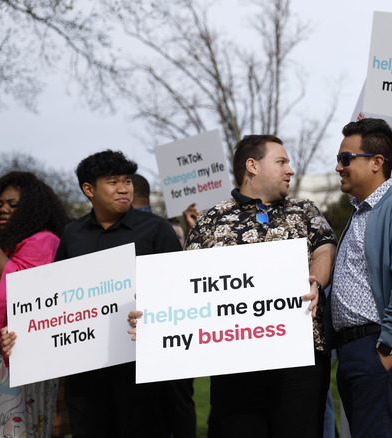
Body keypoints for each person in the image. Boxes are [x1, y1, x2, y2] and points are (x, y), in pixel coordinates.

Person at [132, 134, 337, 438]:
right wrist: (151, 317)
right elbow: (185, 283)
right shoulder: (211, 220)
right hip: (235, 361)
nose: (290, 170)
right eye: (281, 162)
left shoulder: (305, 210)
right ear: (252, 166)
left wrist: (316, 282)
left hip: (300, 357)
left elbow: (325, 248)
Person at [2, 150, 183, 438]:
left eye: (127, 181)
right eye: (113, 182)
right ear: (88, 189)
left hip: (138, 369)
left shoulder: (157, 230)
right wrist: (22, 332)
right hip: (85, 374)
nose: (124, 188)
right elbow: (53, 300)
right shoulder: (72, 234)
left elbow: (177, 291)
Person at [328, 117, 392, 438]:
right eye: (338, 159)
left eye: (346, 159)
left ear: (376, 163)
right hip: (353, 353)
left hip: (378, 350)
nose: (339, 167)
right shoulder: (361, 212)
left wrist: (389, 347)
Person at [0, 171, 69, 438]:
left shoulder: (43, 240)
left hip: (25, 357)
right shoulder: (9, 243)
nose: (4, 209)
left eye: (13, 205)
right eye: (0, 204)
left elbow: (20, 287)